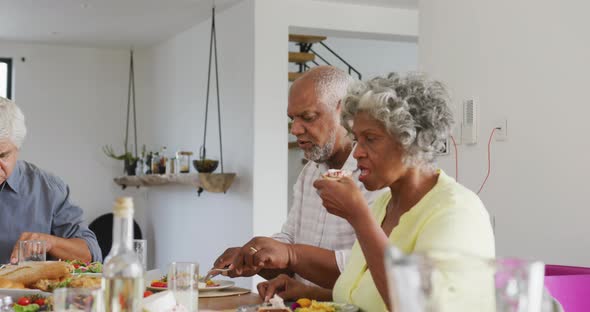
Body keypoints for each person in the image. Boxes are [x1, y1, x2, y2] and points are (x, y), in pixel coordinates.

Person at [254, 73, 495, 311]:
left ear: (412, 139)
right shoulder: (385, 206)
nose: (357, 152)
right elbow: (370, 298)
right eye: (357, 139)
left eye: (370, 139)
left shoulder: (457, 212)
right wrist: (309, 292)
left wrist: (359, 219)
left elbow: (420, 306)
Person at [211, 66, 385, 285]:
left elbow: (368, 268)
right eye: (292, 118)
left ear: (346, 111)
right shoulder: (310, 171)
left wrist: (290, 254)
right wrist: (255, 256)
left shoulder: (377, 178)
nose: (294, 130)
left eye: (308, 117)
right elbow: (290, 239)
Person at [0, 97, 102, 264]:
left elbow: (91, 254)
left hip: (25, 291)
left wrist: (49, 243)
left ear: (18, 148)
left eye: (2, 155)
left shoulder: (48, 189)